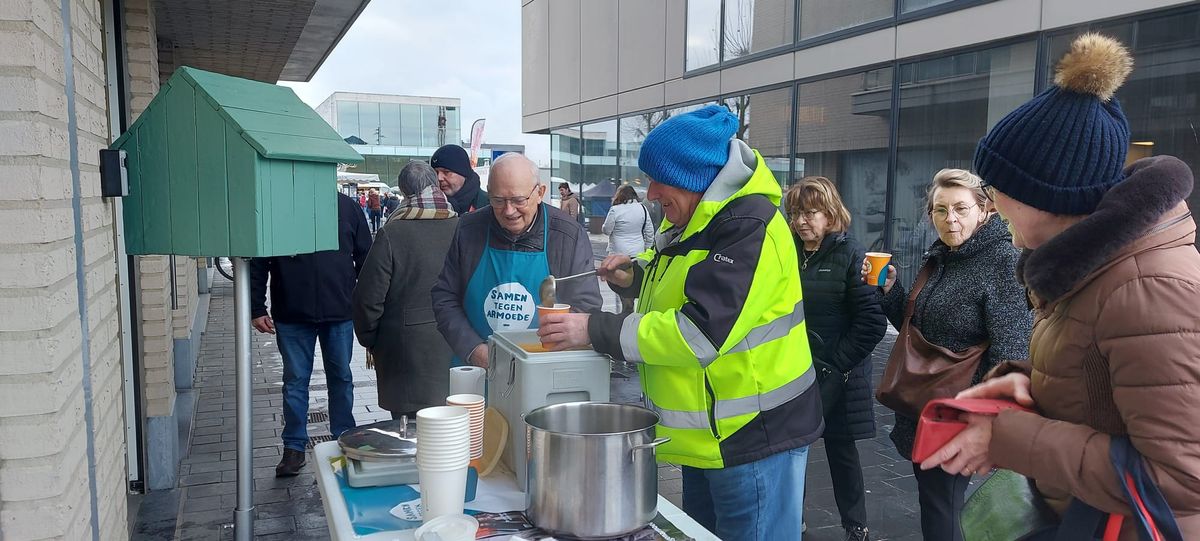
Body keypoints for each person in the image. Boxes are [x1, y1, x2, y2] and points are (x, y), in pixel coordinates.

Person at [921, 34, 1200, 539]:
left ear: (1045, 195)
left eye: (999, 188)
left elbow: (1180, 477)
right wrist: (1035, 387)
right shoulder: (1096, 270)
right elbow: (1109, 388)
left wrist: (1008, 438)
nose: (993, 202)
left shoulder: (1150, 288)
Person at [535, 105, 823, 541]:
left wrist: (593, 329)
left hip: (755, 440)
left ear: (694, 178)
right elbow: (678, 273)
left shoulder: (750, 228)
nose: (650, 192)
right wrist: (633, 275)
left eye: (659, 180)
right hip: (709, 440)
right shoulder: (697, 217)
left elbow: (698, 333)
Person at [864, 168, 1032, 540]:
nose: (950, 219)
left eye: (960, 208)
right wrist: (891, 291)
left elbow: (1012, 351)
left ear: (983, 210)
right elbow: (919, 331)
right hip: (925, 404)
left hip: (958, 411)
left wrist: (981, 420)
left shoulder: (1001, 262)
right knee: (934, 502)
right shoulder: (944, 257)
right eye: (941, 210)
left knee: (943, 509)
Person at [431, 153, 601, 368]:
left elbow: (586, 304)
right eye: (498, 200)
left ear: (539, 193)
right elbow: (444, 297)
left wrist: (540, 356)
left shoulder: (567, 235)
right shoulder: (468, 229)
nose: (509, 211)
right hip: (479, 368)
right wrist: (473, 349)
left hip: (544, 368)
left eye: (518, 200)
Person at [786, 177, 886, 541]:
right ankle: (792, 518)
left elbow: (872, 322)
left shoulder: (852, 255)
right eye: (796, 213)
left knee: (840, 450)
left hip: (840, 373)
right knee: (791, 449)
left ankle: (855, 524)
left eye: (810, 212)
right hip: (796, 370)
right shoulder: (789, 254)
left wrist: (835, 365)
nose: (801, 221)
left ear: (830, 215)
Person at [251, 191, 372, 477]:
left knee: (341, 377)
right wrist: (256, 306)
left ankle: (344, 438)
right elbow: (259, 261)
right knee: (295, 381)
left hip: (340, 311)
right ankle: (293, 447)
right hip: (292, 312)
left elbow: (367, 259)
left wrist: (363, 302)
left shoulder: (348, 208)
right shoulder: (278, 207)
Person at [352, 161, 459, 420]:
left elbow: (368, 298)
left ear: (404, 192)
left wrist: (371, 339)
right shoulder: (462, 227)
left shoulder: (392, 231)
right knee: (451, 440)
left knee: (408, 436)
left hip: (404, 356)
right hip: (457, 350)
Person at [603, 185, 654, 313]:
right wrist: (647, 249)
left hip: (619, 255)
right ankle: (632, 309)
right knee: (635, 281)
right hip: (638, 253)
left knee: (622, 284)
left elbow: (607, 230)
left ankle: (627, 311)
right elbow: (649, 231)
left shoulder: (615, 210)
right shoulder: (642, 208)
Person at [431, 144, 488, 215]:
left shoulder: (489, 205)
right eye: (435, 173)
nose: (439, 178)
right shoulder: (429, 205)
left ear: (463, 174)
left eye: (446, 172)